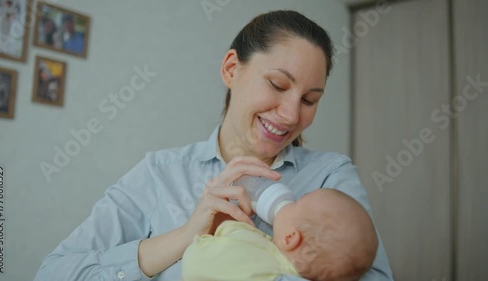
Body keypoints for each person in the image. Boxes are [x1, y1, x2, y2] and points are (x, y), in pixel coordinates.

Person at [33, 10, 394, 281]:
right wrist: (186, 236)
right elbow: (53, 274)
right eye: (278, 85)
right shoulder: (160, 174)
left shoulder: (329, 177)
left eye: (309, 100)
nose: (290, 114)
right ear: (231, 69)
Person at [181, 188, 378, 281]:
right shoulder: (275, 260)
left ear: (290, 238)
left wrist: (225, 227)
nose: (290, 201)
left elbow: (195, 262)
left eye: (297, 202)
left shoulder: (261, 266)